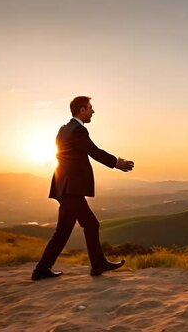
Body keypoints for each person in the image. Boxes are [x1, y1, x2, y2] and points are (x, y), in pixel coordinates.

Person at [32, 96, 135, 281]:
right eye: (90, 108)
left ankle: (42, 269)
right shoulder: (79, 131)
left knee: (66, 230)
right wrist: (117, 163)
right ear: (82, 110)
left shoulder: (63, 130)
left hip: (63, 187)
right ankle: (97, 264)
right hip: (72, 189)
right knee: (89, 225)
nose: (92, 112)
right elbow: (93, 151)